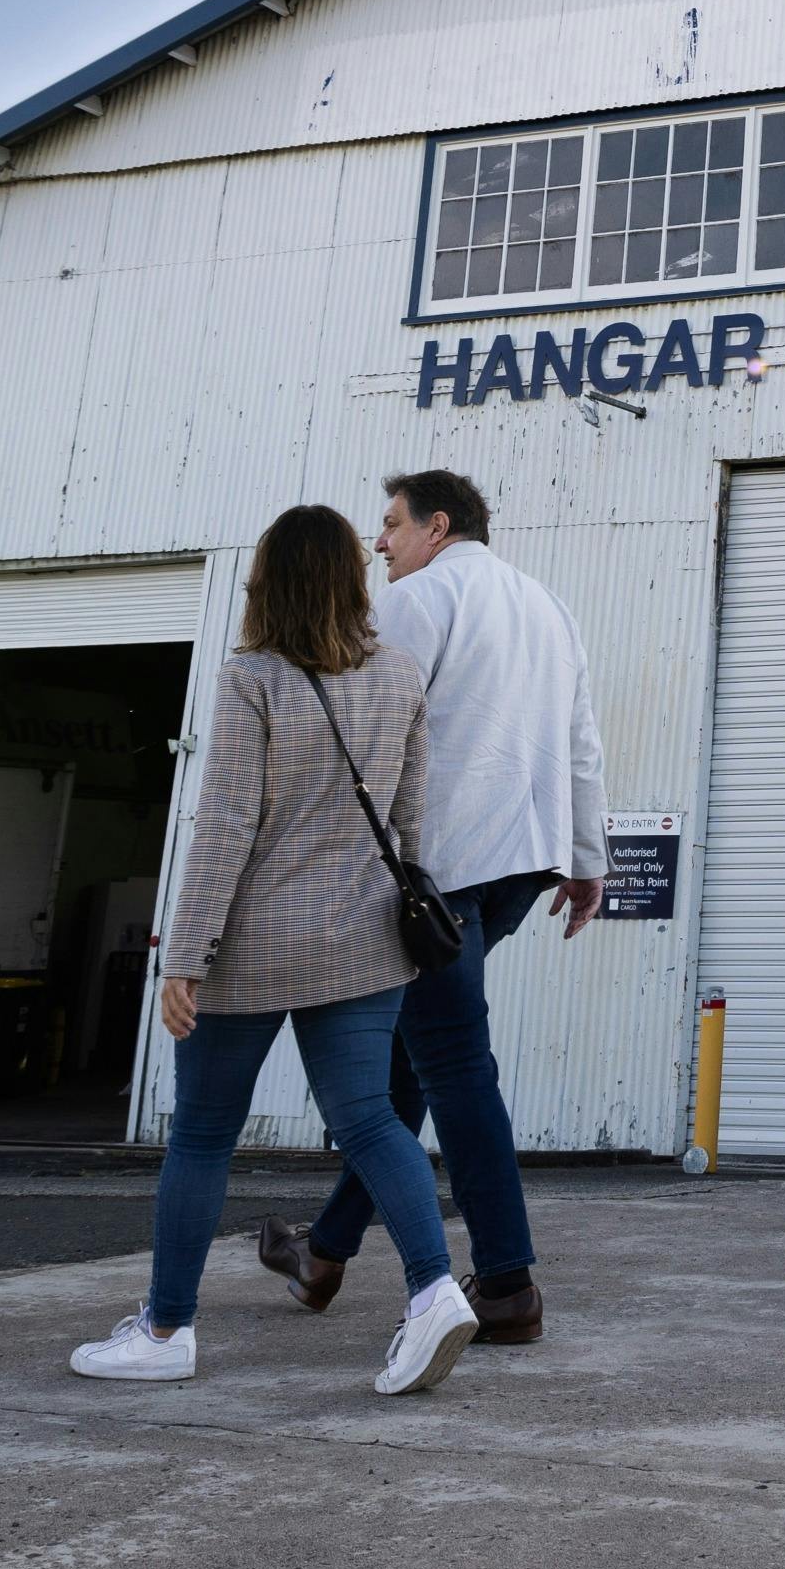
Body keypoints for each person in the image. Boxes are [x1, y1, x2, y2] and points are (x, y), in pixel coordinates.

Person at [72, 503, 481, 1395]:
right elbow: (410, 826)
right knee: (371, 1119)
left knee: (206, 1135)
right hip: (366, 940)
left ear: (270, 579)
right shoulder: (401, 674)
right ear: (349, 576)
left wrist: (183, 953)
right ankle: (435, 1290)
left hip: (251, 943)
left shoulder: (251, 677)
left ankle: (167, 1327)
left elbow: (225, 824)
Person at [251, 466, 607, 1343]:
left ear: (437, 524)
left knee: (451, 1061)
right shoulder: (547, 606)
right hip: (522, 861)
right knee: (416, 1060)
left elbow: (372, 733)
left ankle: (509, 1283)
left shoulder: (419, 598)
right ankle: (323, 1252)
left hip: (431, 870)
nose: (379, 543)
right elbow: (581, 741)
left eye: (391, 525)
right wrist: (590, 859)